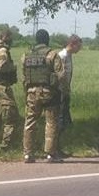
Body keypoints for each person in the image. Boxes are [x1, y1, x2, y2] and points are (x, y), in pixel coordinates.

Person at [22, 29, 65, 163]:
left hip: (31, 93)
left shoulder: (26, 55)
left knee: (30, 121)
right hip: (49, 92)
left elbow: (24, 76)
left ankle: (28, 154)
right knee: (51, 122)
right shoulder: (52, 55)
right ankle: (50, 154)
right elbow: (61, 75)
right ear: (47, 40)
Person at [57, 34, 83, 158]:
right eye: (79, 46)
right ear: (72, 44)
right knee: (60, 120)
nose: (80, 49)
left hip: (66, 91)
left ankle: (57, 147)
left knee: (65, 120)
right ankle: (54, 148)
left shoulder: (69, 56)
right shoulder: (61, 56)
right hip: (60, 91)